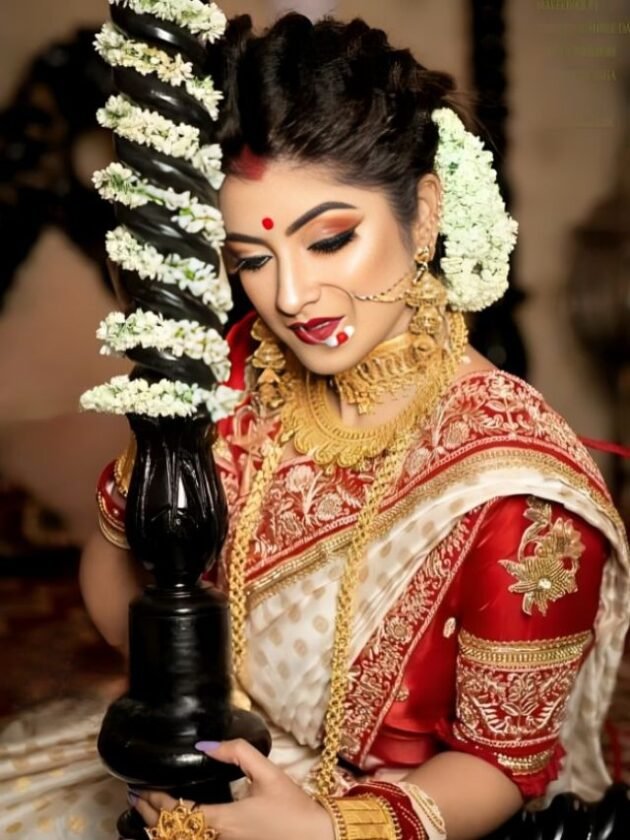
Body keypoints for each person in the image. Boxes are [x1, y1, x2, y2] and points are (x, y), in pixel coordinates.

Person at [3, 12, 629, 840]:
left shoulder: (517, 491)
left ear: (425, 212)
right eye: (252, 260)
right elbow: (116, 554)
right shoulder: (235, 376)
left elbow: (503, 767)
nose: (289, 298)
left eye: (330, 240)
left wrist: (327, 829)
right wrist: (187, 708)